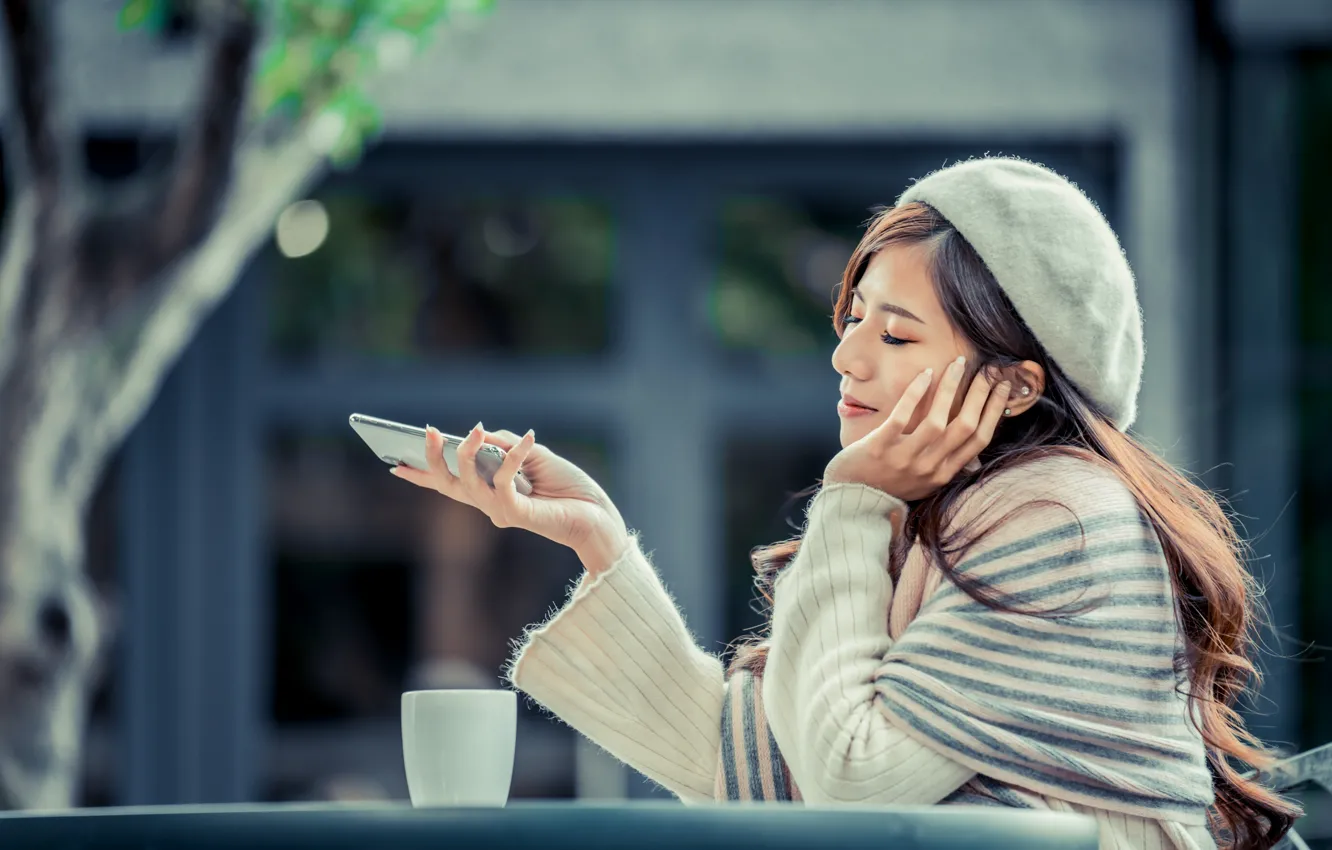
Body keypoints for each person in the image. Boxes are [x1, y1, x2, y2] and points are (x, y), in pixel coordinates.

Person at [389, 158, 1301, 850]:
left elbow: (850, 787)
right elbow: (755, 771)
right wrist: (599, 543)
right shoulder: (948, 511)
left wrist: (852, 500)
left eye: (896, 332)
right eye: (855, 317)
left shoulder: (1056, 519)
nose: (848, 357)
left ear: (1016, 388)